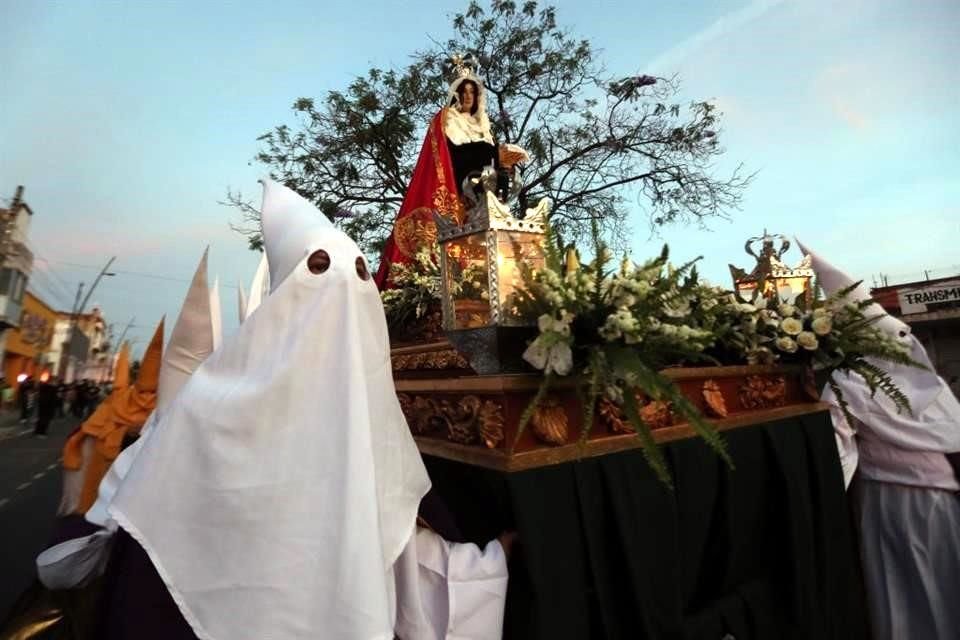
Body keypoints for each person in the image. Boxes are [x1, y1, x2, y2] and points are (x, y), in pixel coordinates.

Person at [85, 180, 512, 640]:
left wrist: (488, 566)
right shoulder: (201, 414)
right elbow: (154, 530)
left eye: (361, 272)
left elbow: (397, 548)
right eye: (319, 268)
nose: (345, 288)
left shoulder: (372, 427)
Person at [799, 240, 960, 640]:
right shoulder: (930, 378)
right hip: (945, 499)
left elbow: (839, 457)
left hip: (891, 502)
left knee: (903, 592)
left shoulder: (845, 382)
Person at [374, 57, 528, 288]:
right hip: (455, 190)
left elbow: (490, 166)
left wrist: (505, 165)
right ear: (456, 94)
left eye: (472, 92)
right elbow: (453, 155)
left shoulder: (485, 127)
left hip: (481, 198)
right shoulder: (446, 119)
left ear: (478, 97)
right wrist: (494, 155)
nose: (468, 96)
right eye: (463, 91)